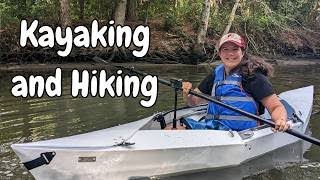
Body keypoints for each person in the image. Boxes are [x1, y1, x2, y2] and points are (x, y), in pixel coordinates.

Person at [167, 33, 290, 132]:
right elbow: (193, 102)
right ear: (219, 53)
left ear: (242, 52)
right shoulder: (216, 74)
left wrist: (280, 120)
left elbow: (276, 107)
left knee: (175, 131)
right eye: (225, 49)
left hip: (241, 132)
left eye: (235, 49)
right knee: (171, 129)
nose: (230, 54)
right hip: (214, 128)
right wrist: (187, 92)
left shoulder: (253, 76)